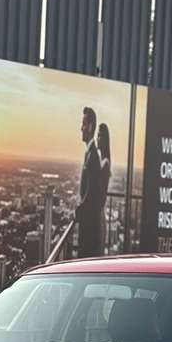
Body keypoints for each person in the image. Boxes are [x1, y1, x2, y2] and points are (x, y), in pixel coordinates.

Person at [76, 107, 102, 257]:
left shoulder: (93, 156)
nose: (81, 128)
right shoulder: (90, 153)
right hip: (89, 226)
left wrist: (79, 210)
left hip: (89, 229)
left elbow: (91, 192)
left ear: (91, 126)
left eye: (84, 124)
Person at [97, 123, 111, 252]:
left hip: (98, 216)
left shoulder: (105, 163)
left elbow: (102, 197)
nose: (97, 139)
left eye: (100, 136)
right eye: (97, 135)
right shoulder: (102, 161)